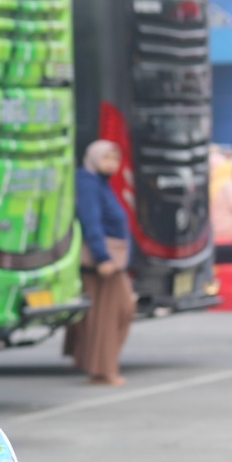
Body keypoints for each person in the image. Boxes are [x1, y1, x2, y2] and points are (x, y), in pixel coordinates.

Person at [65, 140, 136, 385]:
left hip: (110, 259)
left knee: (111, 313)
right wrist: (102, 257)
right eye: (107, 158)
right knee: (112, 314)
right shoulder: (88, 183)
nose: (112, 164)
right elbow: (90, 221)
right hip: (101, 262)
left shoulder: (101, 183)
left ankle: (99, 367)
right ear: (94, 158)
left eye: (115, 159)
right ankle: (103, 370)